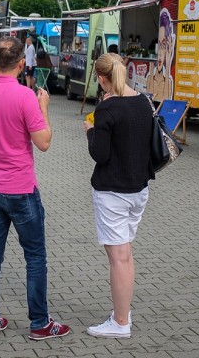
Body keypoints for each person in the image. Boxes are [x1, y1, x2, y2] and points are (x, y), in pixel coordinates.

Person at [0, 36, 70, 341]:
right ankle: (39, 323)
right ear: (22, 63)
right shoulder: (25, 97)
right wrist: (44, 106)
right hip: (21, 190)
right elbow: (44, 142)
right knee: (35, 257)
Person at [82, 52, 154, 338]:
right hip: (139, 189)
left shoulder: (107, 110)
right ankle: (122, 311)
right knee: (126, 253)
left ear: (101, 79)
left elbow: (100, 153)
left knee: (119, 257)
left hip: (113, 191)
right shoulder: (143, 102)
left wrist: (90, 130)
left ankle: (121, 322)